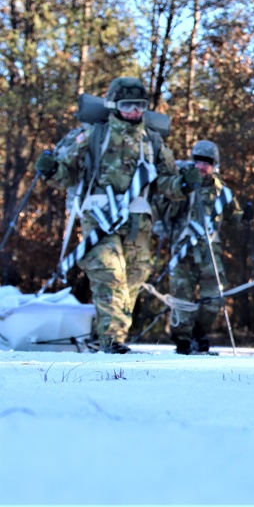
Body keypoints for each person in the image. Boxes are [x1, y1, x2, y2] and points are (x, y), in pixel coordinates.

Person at [34, 77, 196, 353]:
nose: (134, 111)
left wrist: (183, 183)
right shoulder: (94, 135)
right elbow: (67, 172)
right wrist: (51, 169)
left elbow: (165, 182)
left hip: (138, 221)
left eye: (140, 105)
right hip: (100, 215)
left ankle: (109, 335)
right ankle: (111, 340)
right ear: (113, 105)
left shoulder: (152, 140)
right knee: (110, 275)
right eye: (128, 105)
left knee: (133, 278)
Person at [162, 140, 244, 355]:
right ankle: (182, 340)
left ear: (214, 164)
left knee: (214, 296)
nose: (201, 166)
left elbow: (235, 215)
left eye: (207, 162)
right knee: (181, 295)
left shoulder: (222, 192)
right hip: (183, 250)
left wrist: (245, 217)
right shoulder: (182, 185)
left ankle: (199, 332)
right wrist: (183, 186)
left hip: (210, 251)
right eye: (198, 161)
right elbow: (166, 210)